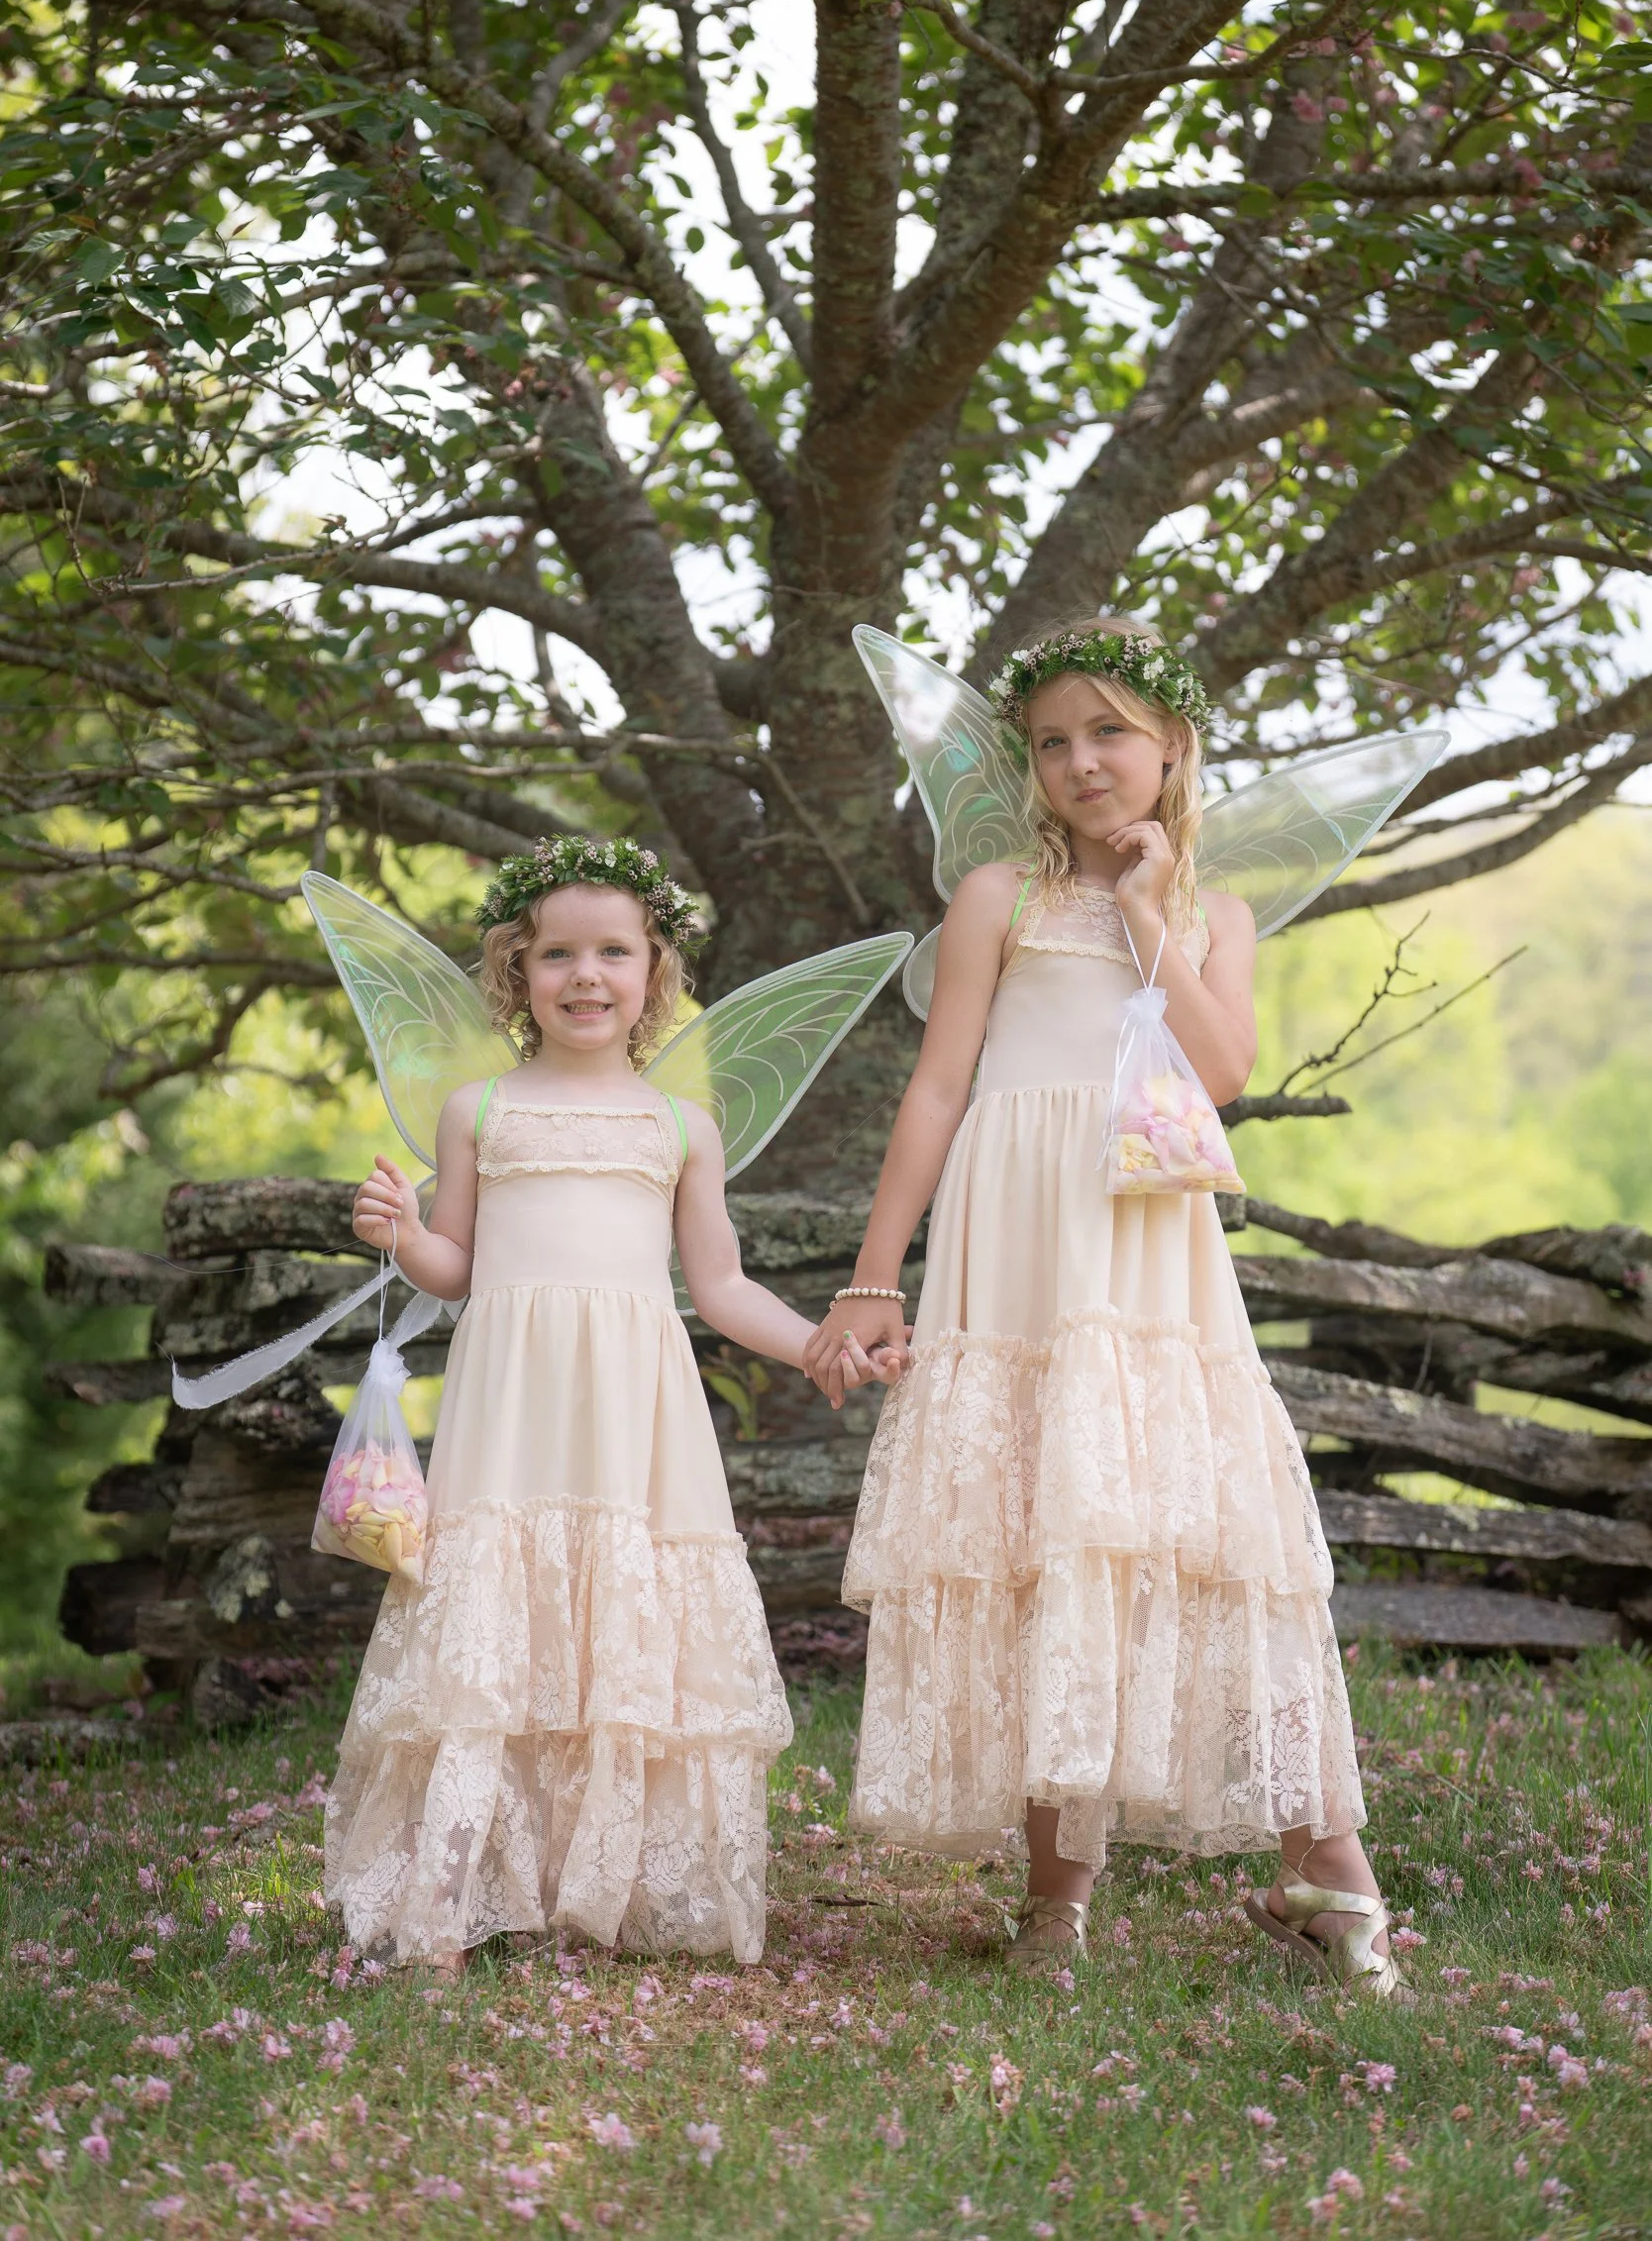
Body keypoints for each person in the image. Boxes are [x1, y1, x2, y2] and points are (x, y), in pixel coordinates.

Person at [805, 621, 1404, 1997]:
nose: (1083, 761)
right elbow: (941, 1089)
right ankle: (1056, 1906)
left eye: (1111, 733)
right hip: (1015, 1238)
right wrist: (874, 1271)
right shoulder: (999, 898)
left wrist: (1146, 918)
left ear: (1172, 748)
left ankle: (1335, 1877)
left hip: (1141, 1245)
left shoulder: (1211, 914)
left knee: (1196, 1529)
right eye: (1055, 742)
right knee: (1038, 1531)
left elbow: (1226, 1066)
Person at [327, 837, 898, 1971]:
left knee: (625, 1612)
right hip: (513, 1399)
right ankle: (466, 1882)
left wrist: (814, 1346)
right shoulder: (477, 1108)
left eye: (613, 953)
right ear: (515, 971)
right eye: (557, 955)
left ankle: (613, 1878)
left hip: (633, 1404)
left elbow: (721, 1283)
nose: (585, 976)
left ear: (654, 973)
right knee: (501, 1610)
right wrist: (401, 1235)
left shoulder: (678, 1126)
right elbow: (460, 1264)